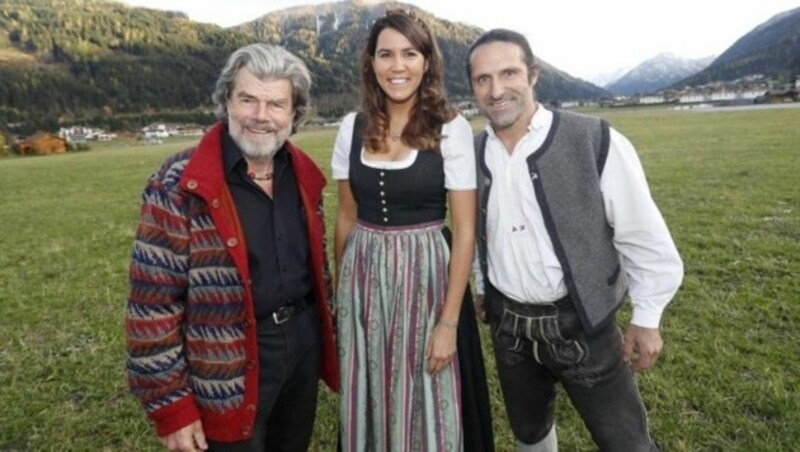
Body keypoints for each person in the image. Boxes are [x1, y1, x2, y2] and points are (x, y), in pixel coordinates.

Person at [467, 29, 684, 452]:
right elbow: (476, 232)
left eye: (508, 73)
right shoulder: (471, 153)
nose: (496, 90)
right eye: (482, 79)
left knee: (625, 442)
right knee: (529, 432)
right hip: (509, 325)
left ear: (533, 75)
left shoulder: (593, 138)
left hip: (584, 323)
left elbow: (642, 233)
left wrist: (648, 315)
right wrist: (481, 285)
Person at [125, 43, 338, 452]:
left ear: (295, 114)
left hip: (301, 347)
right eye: (248, 100)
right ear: (226, 101)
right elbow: (151, 306)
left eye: (276, 104)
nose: (261, 116)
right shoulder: (177, 183)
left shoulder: (304, 176)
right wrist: (172, 407)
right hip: (224, 363)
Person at [332, 9, 494, 452]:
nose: (397, 66)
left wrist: (448, 321)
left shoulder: (450, 129)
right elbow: (346, 216)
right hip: (364, 277)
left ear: (426, 62)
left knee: (426, 385)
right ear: (371, 63)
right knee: (369, 382)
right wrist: (343, 298)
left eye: (409, 53)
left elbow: (463, 230)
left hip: (426, 277)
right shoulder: (352, 128)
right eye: (386, 54)